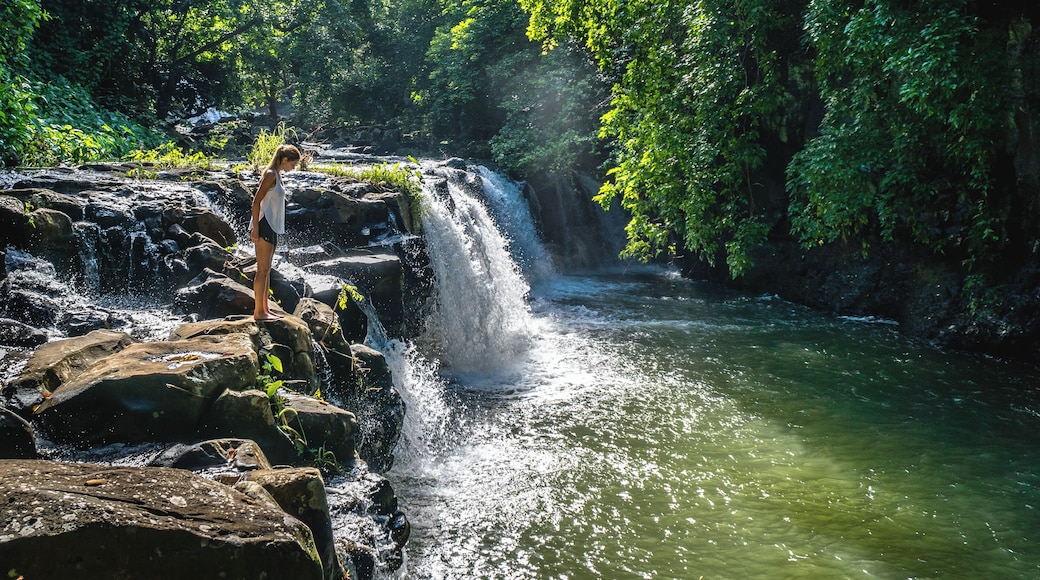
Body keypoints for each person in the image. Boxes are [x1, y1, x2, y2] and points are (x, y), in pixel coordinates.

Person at [250, 144, 301, 320]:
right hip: (264, 224)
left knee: (267, 270)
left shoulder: (277, 175)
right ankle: (259, 312)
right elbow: (256, 202)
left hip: (272, 226)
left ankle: (265, 308)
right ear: (285, 159)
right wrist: (255, 228)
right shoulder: (271, 175)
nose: (292, 168)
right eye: (292, 164)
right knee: (261, 270)